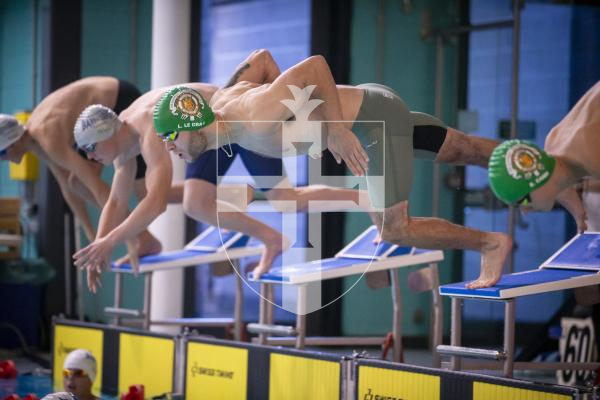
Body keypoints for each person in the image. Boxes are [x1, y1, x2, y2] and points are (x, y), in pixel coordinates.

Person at [153, 49, 511, 289]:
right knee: (462, 149)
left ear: (192, 124)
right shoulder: (223, 105)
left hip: (372, 125)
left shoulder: (256, 117)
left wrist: (335, 129)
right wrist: (298, 110)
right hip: (369, 104)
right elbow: (261, 59)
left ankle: (490, 244)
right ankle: (542, 167)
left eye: (170, 136)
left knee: (395, 230)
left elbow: (314, 65)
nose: (167, 146)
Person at [73, 78, 373, 291]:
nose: (89, 156)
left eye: (90, 148)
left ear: (107, 135)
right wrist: (98, 251)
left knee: (281, 199)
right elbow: (115, 202)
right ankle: (272, 236)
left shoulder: (150, 128)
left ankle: (365, 199)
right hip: (214, 135)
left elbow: (157, 202)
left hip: (229, 126)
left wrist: (109, 243)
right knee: (272, 198)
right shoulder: (122, 144)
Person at [0, 77, 161, 259]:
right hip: (102, 108)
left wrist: (124, 240)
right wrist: (90, 233)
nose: (3, 161)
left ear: (11, 145)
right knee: (77, 183)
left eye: (1, 155)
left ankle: (144, 239)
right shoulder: (37, 143)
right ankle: (145, 237)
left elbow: (98, 188)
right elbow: (67, 187)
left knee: (143, 191)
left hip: (117, 100)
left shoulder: (46, 138)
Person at [488, 81, 600, 232]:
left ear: (536, 180)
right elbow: (560, 183)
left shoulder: (593, 156)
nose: (525, 211)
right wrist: (579, 213)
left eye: (523, 200)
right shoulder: (553, 143)